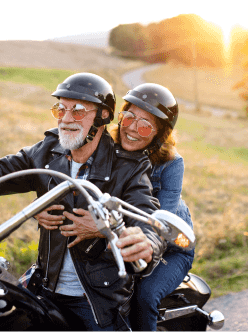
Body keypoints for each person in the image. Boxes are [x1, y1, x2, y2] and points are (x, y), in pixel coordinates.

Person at [0, 73, 164, 332]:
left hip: (96, 302)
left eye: (78, 111)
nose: (66, 119)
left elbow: (146, 217)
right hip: (44, 287)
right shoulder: (47, 151)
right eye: (61, 109)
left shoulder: (129, 167)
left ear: (102, 116)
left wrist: (140, 238)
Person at [38, 83, 194, 332]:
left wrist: (104, 226)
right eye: (128, 117)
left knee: (144, 297)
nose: (132, 129)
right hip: (122, 237)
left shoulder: (171, 163)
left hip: (169, 246)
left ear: (160, 134)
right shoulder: (106, 145)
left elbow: (160, 220)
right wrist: (43, 205)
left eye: (145, 125)